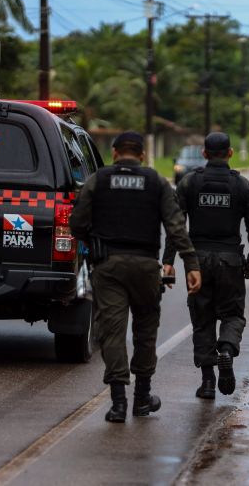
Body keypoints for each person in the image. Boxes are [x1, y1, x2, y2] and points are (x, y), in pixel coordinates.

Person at [69, 131, 202, 423]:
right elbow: (176, 226)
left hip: (109, 267)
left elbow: (76, 222)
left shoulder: (98, 180)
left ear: (115, 153)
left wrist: (93, 245)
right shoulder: (155, 182)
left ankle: (118, 403)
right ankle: (142, 399)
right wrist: (190, 263)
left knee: (112, 332)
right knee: (145, 330)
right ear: (141, 155)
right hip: (145, 267)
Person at [162, 132, 249, 400]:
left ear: (204, 154)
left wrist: (168, 261)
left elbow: (176, 226)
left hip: (197, 262)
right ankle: (227, 351)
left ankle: (208, 383)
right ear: (230, 153)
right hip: (230, 261)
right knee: (233, 314)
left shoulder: (189, 183)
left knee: (202, 318)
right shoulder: (241, 186)